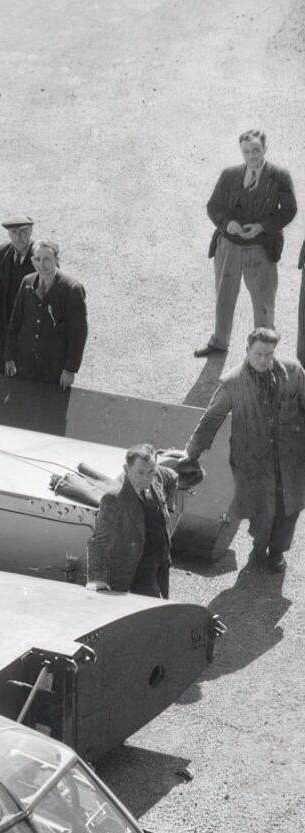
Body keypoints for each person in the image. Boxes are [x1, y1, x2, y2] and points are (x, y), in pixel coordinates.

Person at [187, 326, 305, 576]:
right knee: (260, 507)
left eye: (269, 354)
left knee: (288, 507)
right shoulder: (231, 382)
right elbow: (211, 419)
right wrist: (191, 453)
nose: (263, 360)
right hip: (252, 459)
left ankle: (277, 552)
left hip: (290, 457)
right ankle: (259, 547)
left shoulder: (293, 372)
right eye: (258, 354)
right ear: (247, 350)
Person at [201, 131, 296, 360]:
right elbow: (213, 206)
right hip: (229, 247)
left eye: (256, 150)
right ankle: (219, 342)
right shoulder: (229, 175)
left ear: (265, 148)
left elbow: (290, 209)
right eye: (247, 151)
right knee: (224, 296)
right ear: (241, 151)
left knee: (263, 302)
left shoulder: (279, 176)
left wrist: (262, 227)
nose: (252, 155)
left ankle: (264, 350)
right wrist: (227, 223)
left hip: (261, 248)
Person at [86, 445, 180, 598]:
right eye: (140, 472)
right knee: (152, 611)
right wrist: (97, 579)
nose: (146, 478)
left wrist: (169, 505)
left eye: (150, 471)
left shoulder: (156, 477)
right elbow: (99, 541)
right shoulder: (115, 498)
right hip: (136, 568)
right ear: (126, 468)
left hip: (160, 562)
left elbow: (173, 476)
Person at [2, 239, 87, 388]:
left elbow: (78, 334)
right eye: (37, 259)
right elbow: (15, 322)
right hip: (25, 363)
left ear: (56, 260)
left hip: (54, 367)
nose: (42, 265)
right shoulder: (27, 282)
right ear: (32, 260)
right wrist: (10, 356)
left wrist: (70, 369)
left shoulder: (72, 289)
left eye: (47, 259)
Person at [0, 218, 36, 376]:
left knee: (24, 374)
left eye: (23, 232)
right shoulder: (0, 252)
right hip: (2, 326)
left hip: (27, 329)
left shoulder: (41, 256)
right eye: (14, 232)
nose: (19, 237)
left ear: (31, 232)